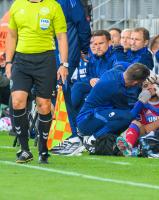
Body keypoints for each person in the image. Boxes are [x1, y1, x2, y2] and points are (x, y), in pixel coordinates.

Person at [5, 0, 68, 164]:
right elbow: (12, 35)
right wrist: (8, 62)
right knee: (18, 100)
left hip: (45, 60)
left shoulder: (53, 6)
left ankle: (43, 148)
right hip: (21, 60)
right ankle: (25, 150)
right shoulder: (17, 5)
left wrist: (63, 64)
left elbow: (61, 37)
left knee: (44, 105)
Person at [76, 63, 150, 151]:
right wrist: (142, 100)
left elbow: (122, 63)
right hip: (87, 120)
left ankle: (107, 139)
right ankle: (92, 139)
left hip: (95, 114)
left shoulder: (116, 70)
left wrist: (149, 72)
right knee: (126, 118)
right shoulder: (117, 90)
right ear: (135, 82)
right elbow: (129, 114)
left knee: (120, 117)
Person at [55, 0, 91, 149]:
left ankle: (72, 137)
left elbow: (82, 25)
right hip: (49, 51)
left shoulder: (70, 2)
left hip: (67, 50)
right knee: (59, 91)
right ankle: (68, 134)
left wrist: (83, 48)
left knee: (60, 89)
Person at [116, 80, 159, 156]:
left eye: (152, 84)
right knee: (134, 124)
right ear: (142, 91)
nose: (149, 87)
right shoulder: (139, 105)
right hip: (145, 137)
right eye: (145, 86)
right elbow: (144, 129)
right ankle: (128, 147)